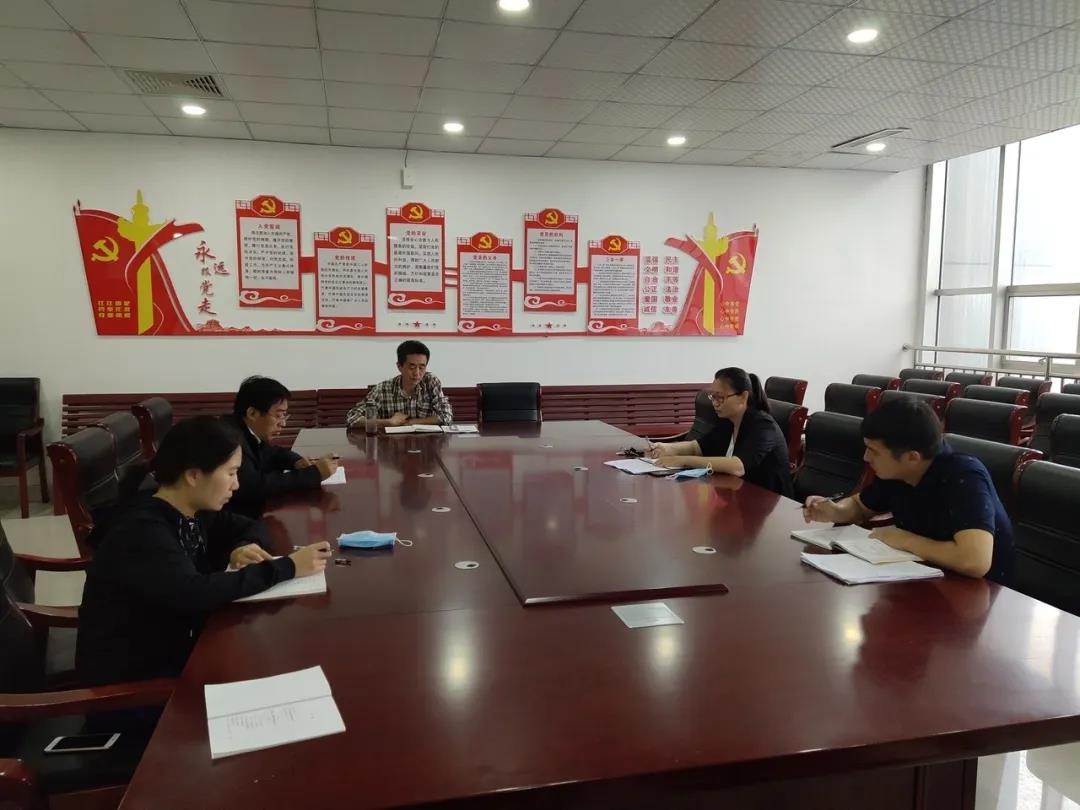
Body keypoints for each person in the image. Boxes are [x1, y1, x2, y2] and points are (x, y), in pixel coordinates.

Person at [76, 416, 331, 685]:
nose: (236, 485)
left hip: (183, 648)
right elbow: (196, 593)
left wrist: (243, 547)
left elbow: (251, 526)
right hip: (139, 685)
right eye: (231, 473)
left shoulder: (190, 509)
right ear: (193, 475)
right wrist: (288, 567)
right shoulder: (143, 529)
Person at [802, 398, 1013, 581]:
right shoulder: (897, 471)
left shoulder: (964, 475)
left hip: (979, 593)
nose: (866, 457)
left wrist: (905, 540)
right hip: (923, 575)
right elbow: (861, 506)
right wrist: (836, 510)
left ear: (912, 457)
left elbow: (974, 561)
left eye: (874, 451)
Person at [647, 367, 793, 497]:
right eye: (713, 397)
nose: (715, 403)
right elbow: (698, 447)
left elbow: (737, 466)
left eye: (720, 397)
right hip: (737, 494)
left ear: (743, 397)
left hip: (769, 502)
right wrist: (667, 448)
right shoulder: (728, 420)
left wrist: (682, 460)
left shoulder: (763, 425)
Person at [223, 375, 339, 519]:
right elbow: (254, 487)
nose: (283, 423)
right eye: (279, 415)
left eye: (284, 416)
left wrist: (296, 462)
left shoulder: (246, 432)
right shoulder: (229, 439)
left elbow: (272, 453)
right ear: (252, 413)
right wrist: (314, 474)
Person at [345, 340, 453, 430]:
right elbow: (352, 418)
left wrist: (410, 422)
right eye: (412, 367)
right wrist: (388, 422)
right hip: (392, 445)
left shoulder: (431, 382)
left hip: (426, 445)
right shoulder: (383, 389)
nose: (417, 373)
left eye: (422, 367)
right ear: (399, 366)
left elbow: (446, 416)